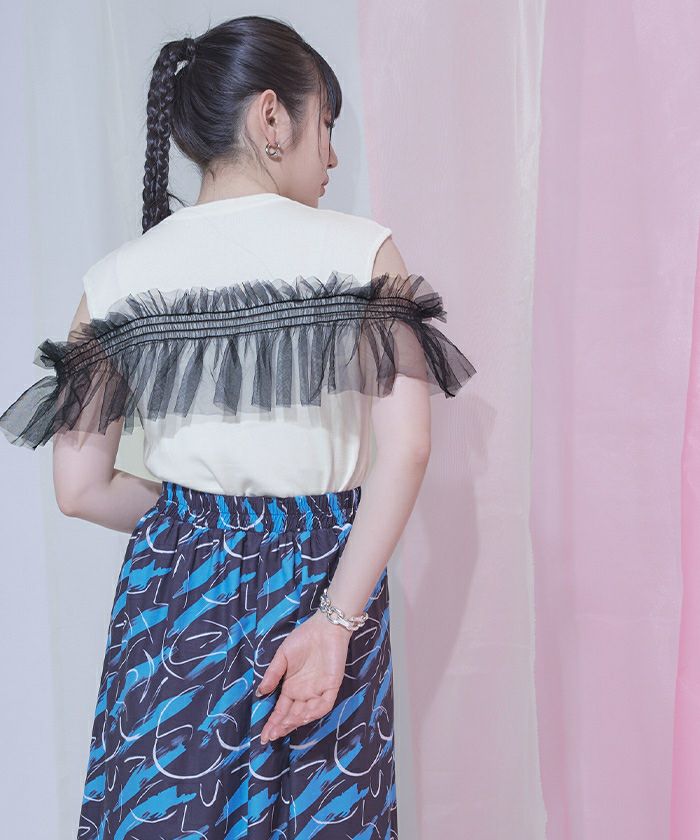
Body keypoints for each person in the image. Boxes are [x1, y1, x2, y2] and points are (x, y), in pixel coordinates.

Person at [0, 15, 476, 839]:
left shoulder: (116, 279)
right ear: (271, 116)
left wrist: (197, 522)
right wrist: (336, 622)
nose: (332, 157)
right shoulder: (362, 252)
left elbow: (79, 489)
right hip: (324, 587)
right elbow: (408, 448)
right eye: (326, 126)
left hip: (173, 605)